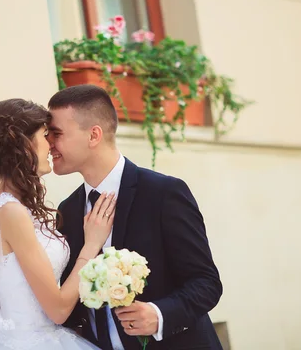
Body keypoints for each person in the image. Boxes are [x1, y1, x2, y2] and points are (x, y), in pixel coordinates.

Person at [47, 85, 224, 349]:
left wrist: (160, 314)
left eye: (56, 134)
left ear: (93, 135)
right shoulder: (68, 209)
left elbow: (206, 282)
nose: (48, 143)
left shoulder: (163, 193)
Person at [0, 98, 115, 350]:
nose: (51, 144)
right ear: (24, 145)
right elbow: (59, 309)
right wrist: (91, 246)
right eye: (45, 135)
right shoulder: (11, 213)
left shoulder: (17, 209)